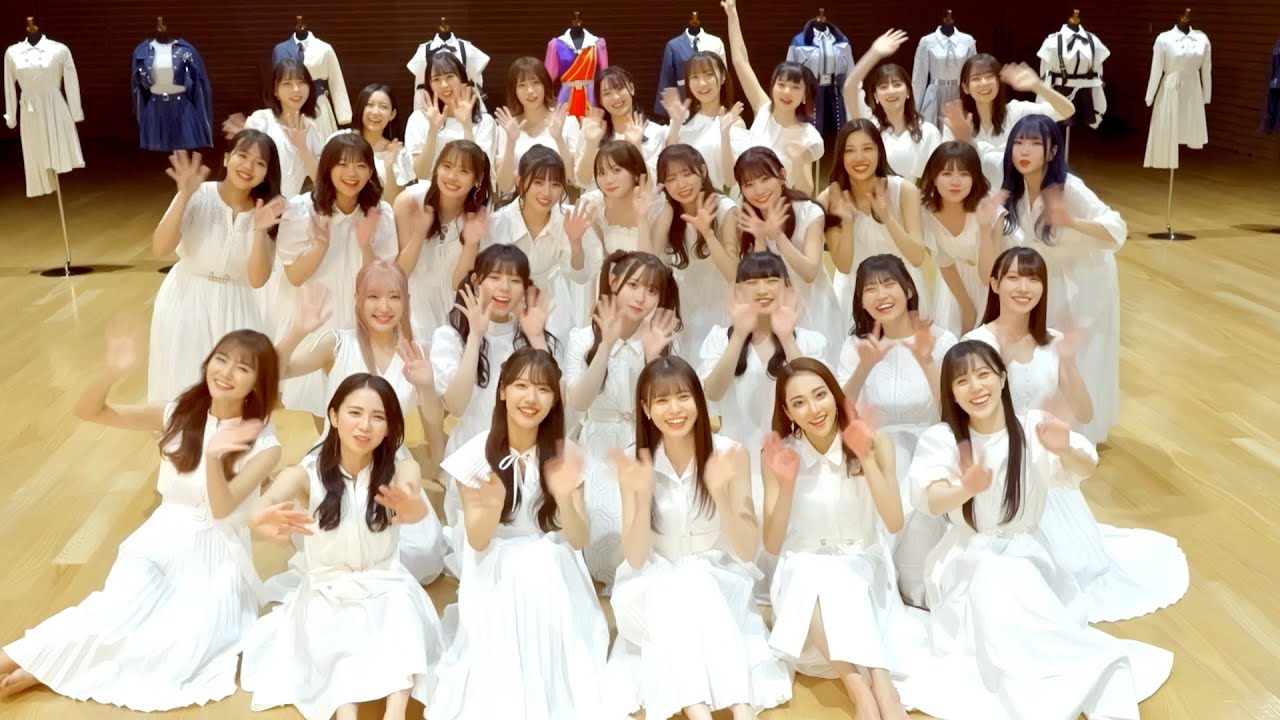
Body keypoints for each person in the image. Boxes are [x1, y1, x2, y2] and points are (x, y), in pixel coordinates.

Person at [0, 329, 281, 708]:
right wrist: (112, 370)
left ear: (257, 383)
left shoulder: (266, 446)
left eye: (242, 368)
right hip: (160, 541)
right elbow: (89, 411)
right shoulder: (178, 412)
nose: (226, 372)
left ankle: (43, 666)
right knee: (114, 612)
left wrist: (214, 458)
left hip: (217, 558)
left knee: (183, 646)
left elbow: (221, 510)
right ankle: (26, 658)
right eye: (221, 359)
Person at [902, 340, 1173, 720]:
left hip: (1024, 553)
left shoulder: (1031, 427)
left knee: (1011, 589)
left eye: (983, 375)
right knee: (992, 582)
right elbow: (929, 499)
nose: (975, 387)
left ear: (1002, 378)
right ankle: (1034, 682)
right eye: (961, 381)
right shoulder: (943, 438)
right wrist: (966, 488)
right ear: (951, 392)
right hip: (967, 558)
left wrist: (1065, 449)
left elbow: (1085, 468)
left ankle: (1043, 677)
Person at [966, 247, 1188, 623]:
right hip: (994, 467)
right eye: (1013, 278)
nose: (1023, 287)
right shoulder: (975, 343)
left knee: (1074, 568)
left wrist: (1066, 362)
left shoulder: (1052, 342)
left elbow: (1084, 411)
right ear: (994, 284)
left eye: (1033, 279)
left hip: (1043, 462)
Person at [424, 348, 618, 719]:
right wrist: (492, 505)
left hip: (553, 563)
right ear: (502, 391)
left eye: (543, 390)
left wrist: (564, 497)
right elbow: (478, 540)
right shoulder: (475, 454)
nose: (531, 398)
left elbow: (578, 539)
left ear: (554, 400)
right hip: (494, 563)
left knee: (543, 560)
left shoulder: (566, 453)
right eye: (522, 386)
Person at [240, 373, 442, 720]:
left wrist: (411, 505)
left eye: (377, 417)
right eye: (355, 413)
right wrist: (261, 515)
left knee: (402, 614)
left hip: (386, 580)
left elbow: (412, 495)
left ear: (389, 427)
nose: (365, 426)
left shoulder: (400, 465)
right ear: (333, 416)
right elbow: (265, 502)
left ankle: (395, 713)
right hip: (328, 586)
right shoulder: (308, 471)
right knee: (337, 631)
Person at [609, 357, 791, 720]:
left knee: (693, 580)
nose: (674, 409)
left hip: (718, 581)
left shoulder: (731, 454)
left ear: (698, 400)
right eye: (661, 400)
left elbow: (745, 550)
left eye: (683, 397)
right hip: (649, 585)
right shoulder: (634, 461)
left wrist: (719, 493)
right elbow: (636, 557)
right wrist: (641, 496)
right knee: (677, 585)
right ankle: (741, 710)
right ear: (645, 409)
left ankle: (708, 712)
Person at [272, 261, 448, 584]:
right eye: (373, 297)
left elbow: (434, 418)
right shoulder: (337, 344)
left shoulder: (416, 352)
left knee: (422, 554)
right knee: (336, 545)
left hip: (387, 463)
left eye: (394, 297)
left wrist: (425, 385)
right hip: (334, 461)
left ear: (406, 300)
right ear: (357, 300)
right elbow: (278, 370)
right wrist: (297, 330)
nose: (384, 307)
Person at [761, 358, 912, 720]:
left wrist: (866, 458)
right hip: (805, 600)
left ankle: (877, 686)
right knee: (810, 570)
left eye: (820, 395)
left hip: (863, 570)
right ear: (787, 412)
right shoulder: (778, 455)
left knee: (841, 577)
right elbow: (772, 543)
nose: (814, 410)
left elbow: (893, 522)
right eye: (799, 403)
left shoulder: (875, 442)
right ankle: (865, 690)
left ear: (835, 395)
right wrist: (786, 486)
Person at [996, 114, 1126, 443]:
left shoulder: (1070, 188)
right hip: (1048, 277)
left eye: (1035, 143)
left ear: (1053, 150)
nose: (1025, 150)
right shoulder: (1015, 189)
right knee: (1047, 346)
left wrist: (1073, 222)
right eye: (1018, 143)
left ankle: (1077, 430)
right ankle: (1043, 421)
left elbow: (1116, 229)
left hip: (1085, 280)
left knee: (1076, 351)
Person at [836, 254, 956, 606]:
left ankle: (916, 583)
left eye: (888, 284)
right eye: (870, 289)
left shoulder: (941, 340)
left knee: (920, 520)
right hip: (878, 451)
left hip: (931, 447)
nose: (881, 295)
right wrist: (863, 368)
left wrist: (927, 360)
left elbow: (952, 413)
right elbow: (840, 413)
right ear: (861, 301)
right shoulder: (856, 345)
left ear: (908, 290)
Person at [565, 251, 681, 589]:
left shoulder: (660, 336)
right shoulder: (581, 337)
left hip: (643, 440)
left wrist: (653, 357)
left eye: (652, 290)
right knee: (602, 521)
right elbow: (579, 400)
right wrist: (606, 344)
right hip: (597, 442)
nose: (641, 297)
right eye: (634, 285)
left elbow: (665, 405)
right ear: (614, 282)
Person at [268, 133, 399, 421]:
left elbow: (383, 282)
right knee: (320, 398)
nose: (352, 173)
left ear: (371, 171)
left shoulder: (381, 213)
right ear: (327, 167)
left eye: (361, 165)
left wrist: (365, 245)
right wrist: (320, 246)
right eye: (342, 164)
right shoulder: (301, 210)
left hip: (360, 317)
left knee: (362, 396)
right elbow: (294, 276)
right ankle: (326, 447)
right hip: (317, 315)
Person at [147, 132, 284, 404]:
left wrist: (259, 231)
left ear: (266, 173)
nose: (248, 166)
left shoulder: (267, 212)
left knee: (232, 393)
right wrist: (183, 196)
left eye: (259, 163)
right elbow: (160, 248)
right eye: (242, 156)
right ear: (226, 158)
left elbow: (257, 280)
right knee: (182, 385)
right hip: (186, 298)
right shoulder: (199, 194)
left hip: (237, 302)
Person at [432, 244, 556, 538]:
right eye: (495, 277)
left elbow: (553, 402)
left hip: (527, 457)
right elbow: (456, 405)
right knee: (479, 541)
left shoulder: (531, 334)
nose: (504, 288)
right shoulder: (450, 336)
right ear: (476, 281)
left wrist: (536, 338)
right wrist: (476, 335)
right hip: (473, 456)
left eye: (514, 280)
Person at [484, 146, 599, 339]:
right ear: (520, 182)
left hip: (550, 307)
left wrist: (575, 242)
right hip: (503, 308)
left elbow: (581, 276)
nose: (547, 192)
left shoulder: (568, 218)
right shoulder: (497, 223)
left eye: (555, 184)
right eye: (538, 182)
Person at [734, 147, 842, 344]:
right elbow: (758, 280)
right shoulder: (748, 220)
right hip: (775, 314)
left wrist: (778, 237)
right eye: (749, 184)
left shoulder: (810, 212)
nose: (759, 190)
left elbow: (810, 272)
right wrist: (760, 238)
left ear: (782, 175)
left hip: (816, 309)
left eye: (765, 179)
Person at [821, 119, 927, 318]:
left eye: (867, 148)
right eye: (850, 151)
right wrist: (847, 222)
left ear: (879, 152)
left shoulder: (904, 191)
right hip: (854, 294)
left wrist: (886, 216)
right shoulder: (829, 199)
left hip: (901, 290)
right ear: (840, 156)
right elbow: (843, 266)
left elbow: (917, 257)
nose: (859, 157)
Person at [393, 139, 493, 339]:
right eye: (447, 166)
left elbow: (458, 285)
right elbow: (399, 275)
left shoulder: (478, 216)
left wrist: (471, 244)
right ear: (437, 167)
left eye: (464, 171)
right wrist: (419, 235)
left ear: (477, 179)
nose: (452, 177)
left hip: (453, 310)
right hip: (411, 307)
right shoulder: (410, 201)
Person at [723, 0, 823, 195]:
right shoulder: (763, 109)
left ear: (805, 96)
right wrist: (732, 14)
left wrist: (796, 159)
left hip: (779, 206)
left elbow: (806, 190)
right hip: (746, 200)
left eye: (795, 87)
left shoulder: (806, 134)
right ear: (773, 87)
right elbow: (740, 61)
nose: (786, 92)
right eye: (781, 85)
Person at [652, 143, 740, 345]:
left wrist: (708, 233)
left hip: (722, 309)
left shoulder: (724, 208)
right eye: (671, 179)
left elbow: (732, 274)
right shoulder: (668, 212)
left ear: (703, 171)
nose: (681, 184)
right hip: (684, 311)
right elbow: (651, 261)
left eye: (687, 174)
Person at [942, 55, 1075, 189]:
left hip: (1014, 192)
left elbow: (1067, 111)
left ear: (998, 82)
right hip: (973, 192)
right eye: (976, 78)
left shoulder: (1016, 111)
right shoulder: (958, 121)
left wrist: (1038, 86)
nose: (984, 82)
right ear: (965, 87)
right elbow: (946, 165)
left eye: (989, 77)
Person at [918, 140, 1006, 335]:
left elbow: (988, 277)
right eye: (947, 173)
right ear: (934, 178)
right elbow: (944, 262)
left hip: (995, 286)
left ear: (975, 178)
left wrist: (984, 229)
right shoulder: (926, 213)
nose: (956, 181)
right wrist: (966, 306)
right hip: (956, 285)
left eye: (964, 174)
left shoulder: (989, 210)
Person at [842, 29, 941, 183]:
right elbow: (850, 87)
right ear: (875, 96)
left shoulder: (928, 132)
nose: (891, 91)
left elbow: (933, 179)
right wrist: (874, 53)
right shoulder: (869, 126)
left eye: (897, 84)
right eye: (883, 87)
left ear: (908, 92)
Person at [224, 58, 324, 199]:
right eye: (287, 84)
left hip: (287, 206)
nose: (296, 89)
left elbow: (319, 180)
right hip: (257, 202)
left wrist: (301, 146)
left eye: (301, 83)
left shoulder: (311, 128)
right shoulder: (262, 120)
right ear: (275, 90)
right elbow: (246, 166)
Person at [660, 50, 749, 193]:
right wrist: (676, 124)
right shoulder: (682, 119)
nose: (702, 83)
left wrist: (724, 134)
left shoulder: (734, 122)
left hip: (723, 201)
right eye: (695, 77)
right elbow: (669, 164)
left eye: (709, 75)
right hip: (687, 200)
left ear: (722, 77)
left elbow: (732, 180)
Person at [493, 57, 579, 194]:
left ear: (545, 85)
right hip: (517, 203)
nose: (530, 91)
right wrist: (511, 141)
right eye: (522, 85)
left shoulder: (567, 122)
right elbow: (504, 186)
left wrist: (559, 139)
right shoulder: (507, 127)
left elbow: (574, 179)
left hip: (555, 203)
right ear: (514, 90)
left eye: (536, 82)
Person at [408, 51, 497, 181]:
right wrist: (432, 131)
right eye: (436, 79)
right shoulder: (418, 119)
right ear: (429, 85)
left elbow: (480, 172)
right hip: (429, 192)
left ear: (462, 79)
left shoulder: (485, 122)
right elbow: (419, 174)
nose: (444, 85)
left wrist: (467, 126)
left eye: (450, 76)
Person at [576, 66, 669, 187]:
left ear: (631, 88)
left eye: (620, 89)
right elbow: (583, 181)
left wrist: (636, 146)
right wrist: (591, 143)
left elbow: (652, 184)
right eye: (607, 93)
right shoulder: (591, 131)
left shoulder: (656, 132)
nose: (616, 97)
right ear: (600, 100)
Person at [334, 82, 414, 204]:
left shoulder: (399, 152)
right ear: (361, 108)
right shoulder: (340, 140)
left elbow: (395, 204)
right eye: (370, 105)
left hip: (381, 214)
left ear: (392, 114)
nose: (376, 112)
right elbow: (322, 181)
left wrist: (389, 167)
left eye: (383, 107)